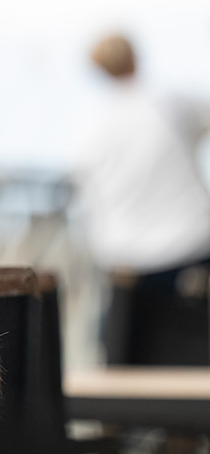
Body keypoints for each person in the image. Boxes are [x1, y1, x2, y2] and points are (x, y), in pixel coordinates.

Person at [75, 33, 210, 366]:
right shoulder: (170, 105)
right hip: (190, 253)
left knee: (124, 366)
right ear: (136, 58)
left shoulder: (90, 129)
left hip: (126, 267)